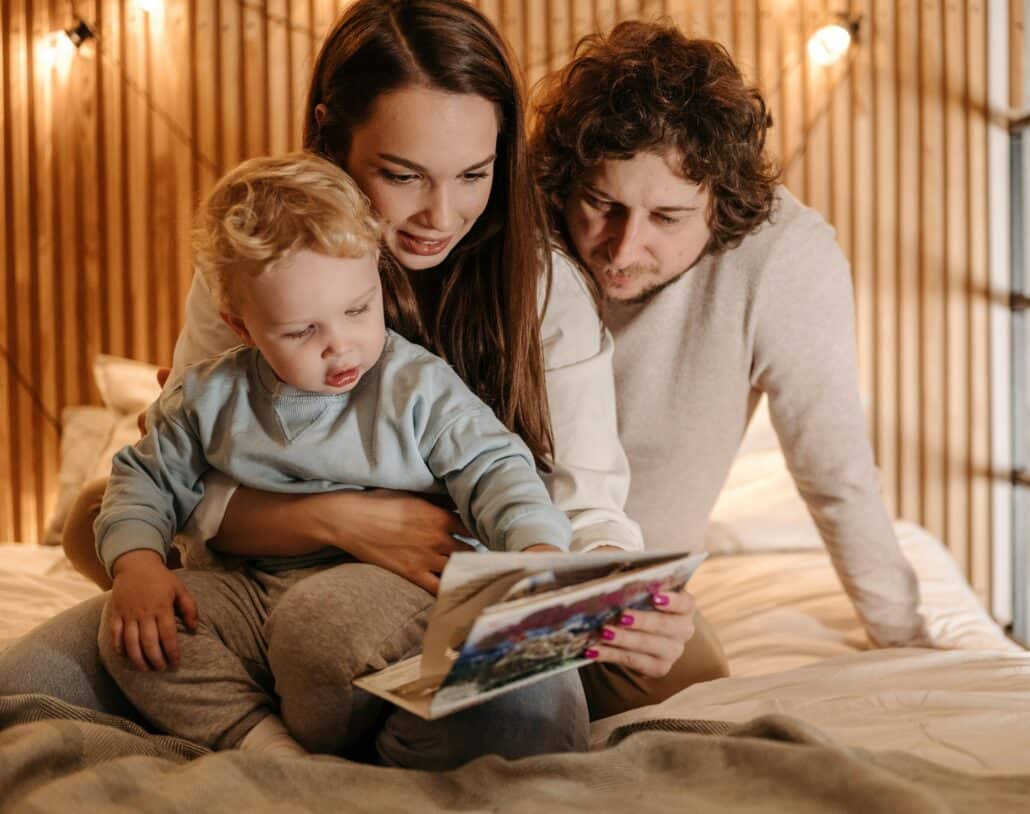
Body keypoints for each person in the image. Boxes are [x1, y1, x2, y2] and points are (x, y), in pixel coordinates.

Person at [1, 0, 695, 769]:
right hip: (250, 575)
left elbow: (570, 501)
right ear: (333, 137)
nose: (441, 213)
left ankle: (345, 729)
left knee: (564, 693)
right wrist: (344, 519)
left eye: (474, 173)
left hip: (427, 589)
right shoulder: (253, 268)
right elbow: (184, 467)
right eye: (402, 175)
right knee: (36, 660)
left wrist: (580, 585)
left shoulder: (532, 295)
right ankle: (278, 733)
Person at [97, 152, 573, 758]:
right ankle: (264, 745)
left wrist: (535, 553)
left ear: (375, 277)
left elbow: (496, 468)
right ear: (242, 329)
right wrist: (136, 566)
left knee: (322, 630)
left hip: (385, 590)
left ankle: (375, 747)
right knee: (132, 633)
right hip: (249, 590)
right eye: (301, 332)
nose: (340, 346)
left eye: (357, 309)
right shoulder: (205, 398)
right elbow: (141, 481)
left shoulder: (416, 386)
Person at [530, 21, 930, 687]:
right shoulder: (523, 222)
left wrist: (906, 639)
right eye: (602, 204)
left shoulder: (784, 258)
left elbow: (836, 473)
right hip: (476, 556)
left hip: (623, 594)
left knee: (691, 681)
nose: (624, 252)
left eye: (667, 219)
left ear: (722, 205)